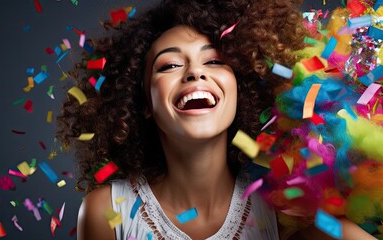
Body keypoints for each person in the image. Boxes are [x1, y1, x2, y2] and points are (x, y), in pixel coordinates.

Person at [56, 0, 377, 239]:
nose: (195, 72)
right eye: (169, 66)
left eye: (213, 61)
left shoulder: (281, 207)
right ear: (143, 103)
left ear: (242, 87)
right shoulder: (106, 211)